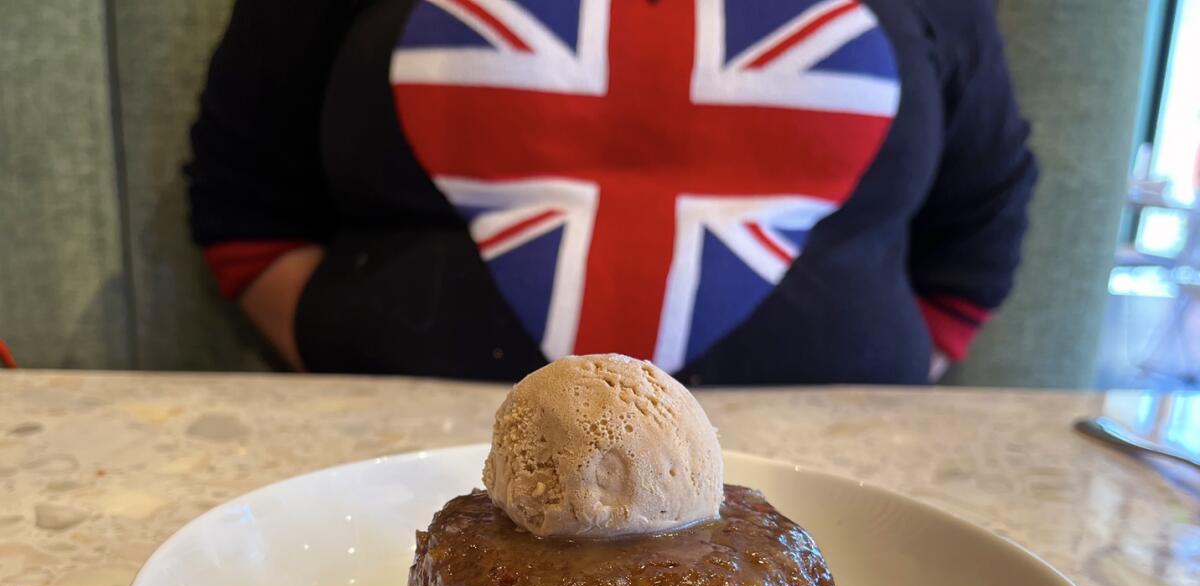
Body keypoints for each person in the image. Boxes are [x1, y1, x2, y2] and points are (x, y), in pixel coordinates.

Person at [187, 0, 1036, 384]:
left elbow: (980, 220)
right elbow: (247, 201)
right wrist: (368, 382)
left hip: (846, 512)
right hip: (373, 498)